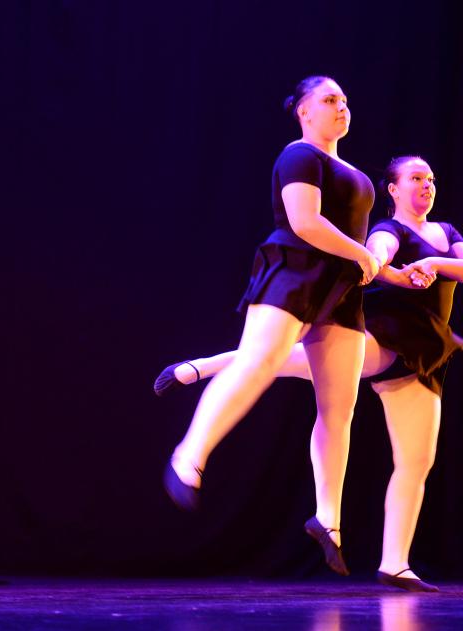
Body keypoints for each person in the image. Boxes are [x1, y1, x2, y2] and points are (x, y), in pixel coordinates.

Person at [156, 156, 463, 591]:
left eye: (431, 179)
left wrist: (435, 265)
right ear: (392, 189)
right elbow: (378, 258)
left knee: (416, 461)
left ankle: (395, 563)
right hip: (388, 337)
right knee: (286, 360)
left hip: (427, 353)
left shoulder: (446, 233)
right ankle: (201, 367)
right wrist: (401, 271)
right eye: (416, 179)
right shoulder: (390, 231)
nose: (426, 186)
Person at [162, 75, 382, 578]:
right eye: (329, 100)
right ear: (304, 111)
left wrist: (392, 270)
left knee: (339, 406)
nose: (341, 107)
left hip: (342, 287)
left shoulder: (356, 173)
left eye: (346, 100)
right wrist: (362, 256)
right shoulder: (299, 155)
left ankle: (328, 518)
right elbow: (305, 222)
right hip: (296, 268)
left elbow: (362, 250)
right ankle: (189, 454)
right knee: (259, 362)